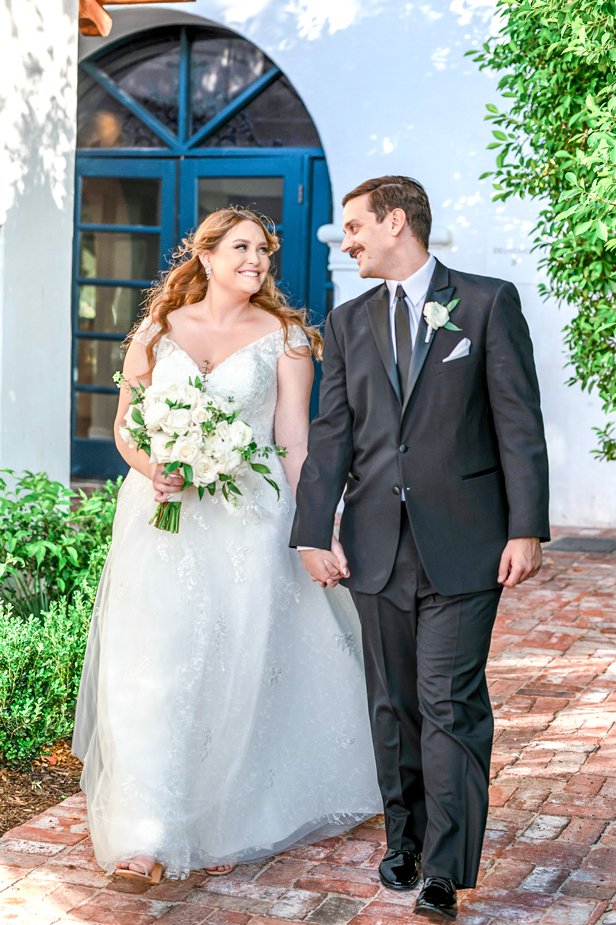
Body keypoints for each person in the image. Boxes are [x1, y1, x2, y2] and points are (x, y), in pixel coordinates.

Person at [72, 206, 381, 884]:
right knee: (156, 664)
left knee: (237, 659)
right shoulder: (156, 331)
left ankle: (229, 817)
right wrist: (152, 465)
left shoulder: (286, 339)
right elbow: (126, 425)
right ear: (205, 256)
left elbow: (294, 443)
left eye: (264, 251)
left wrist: (317, 526)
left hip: (251, 520)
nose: (257, 261)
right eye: (241, 247)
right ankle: (146, 835)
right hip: (162, 518)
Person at [291, 176, 550, 921]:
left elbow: (518, 421)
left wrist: (525, 526)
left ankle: (443, 868)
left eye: (354, 227)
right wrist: (312, 530)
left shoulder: (487, 302)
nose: (347, 241)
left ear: (396, 222)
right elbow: (333, 434)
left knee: (449, 701)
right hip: (375, 544)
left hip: (467, 541)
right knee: (393, 702)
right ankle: (402, 839)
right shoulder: (347, 322)